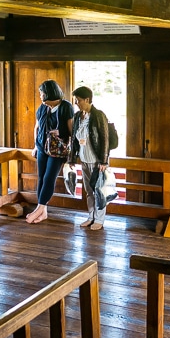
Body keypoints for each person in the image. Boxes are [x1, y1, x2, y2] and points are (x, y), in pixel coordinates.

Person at [26, 80, 74, 224]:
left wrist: (72, 152)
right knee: (41, 177)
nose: (40, 96)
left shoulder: (66, 107)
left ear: (49, 93)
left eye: (42, 93)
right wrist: (35, 146)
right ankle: (42, 210)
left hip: (58, 149)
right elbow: (37, 128)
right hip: (42, 147)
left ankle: (39, 208)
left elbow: (72, 130)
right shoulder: (42, 108)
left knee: (49, 178)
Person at [68, 86, 110, 231]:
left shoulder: (99, 115)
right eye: (75, 101)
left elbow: (105, 138)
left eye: (78, 100)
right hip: (84, 159)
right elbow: (73, 138)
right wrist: (72, 158)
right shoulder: (78, 116)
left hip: (97, 160)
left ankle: (99, 219)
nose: (76, 103)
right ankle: (91, 216)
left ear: (87, 99)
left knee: (99, 190)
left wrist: (104, 160)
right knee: (89, 191)